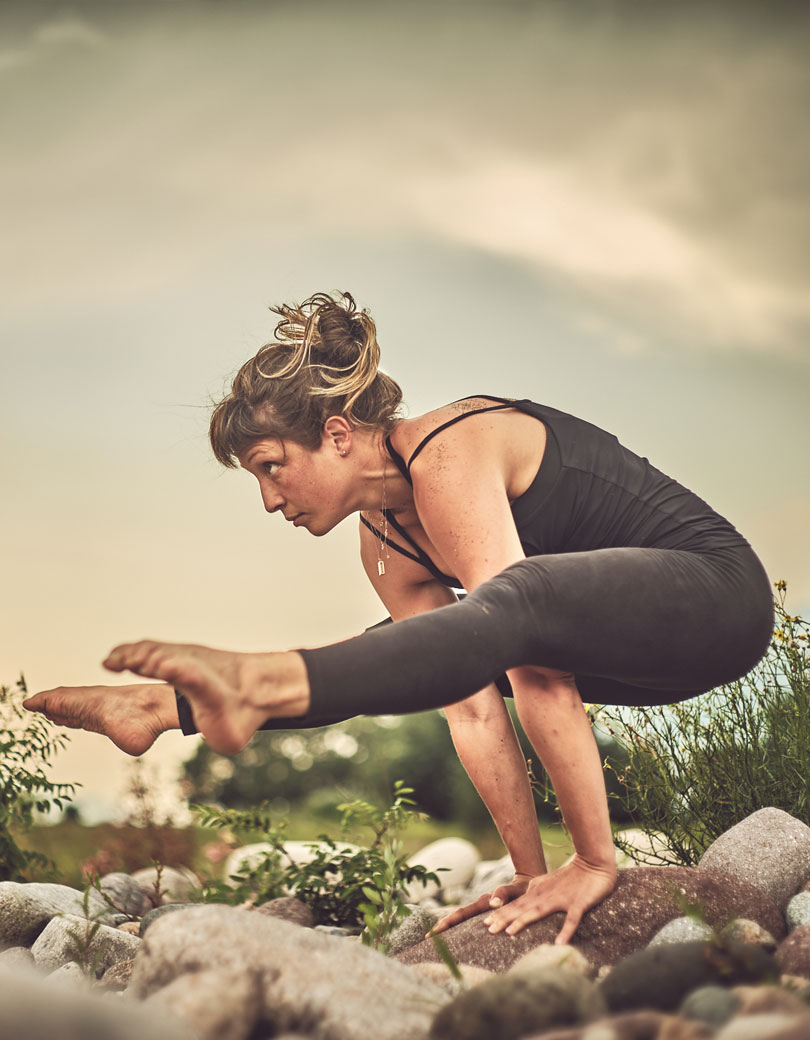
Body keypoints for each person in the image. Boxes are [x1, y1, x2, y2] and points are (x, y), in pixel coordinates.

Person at [24, 291, 773, 944]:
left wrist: (592, 863)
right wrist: (530, 877)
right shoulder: (383, 546)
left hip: (715, 603)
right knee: (418, 647)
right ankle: (165, 706)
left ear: (339, 434)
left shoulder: (450, 452)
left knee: (511, 609)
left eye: (271, 466)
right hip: (625, 653)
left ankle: (254, 683)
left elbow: (535, 661)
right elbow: (473, 711)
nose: (268, 500)